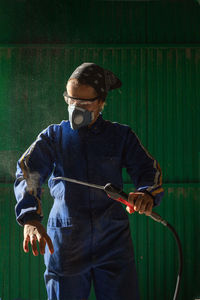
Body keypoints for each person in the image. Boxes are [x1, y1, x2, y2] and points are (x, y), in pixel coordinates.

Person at [14, 62, 164, 300]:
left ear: (101, 102)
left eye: (84, 104)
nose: (76, 108)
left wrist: (146, 193)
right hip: (66, 243)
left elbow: (148, 169)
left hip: (112, 241)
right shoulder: (54, 136)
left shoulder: (120, 136)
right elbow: (27, 170)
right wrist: (30, 217)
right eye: (70, 100)